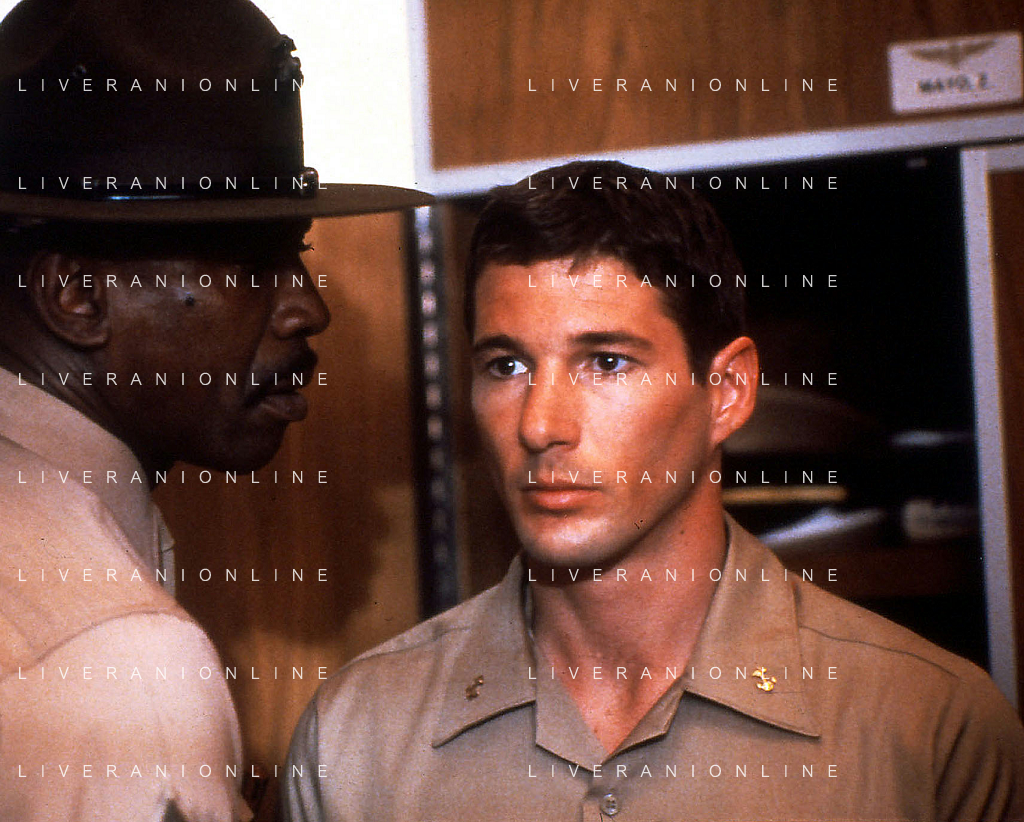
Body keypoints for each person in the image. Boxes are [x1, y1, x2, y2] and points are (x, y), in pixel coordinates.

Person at [0, 1, 428, 820]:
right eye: (252, 265)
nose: (306, 309)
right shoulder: (118, 655)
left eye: (297, 255)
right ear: (76, 296)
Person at [281, 159, 1024, 821]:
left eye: (605, 362)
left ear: (726, 391)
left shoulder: (929, 731)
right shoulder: (356, 739)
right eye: (506, 366)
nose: (539, 425)